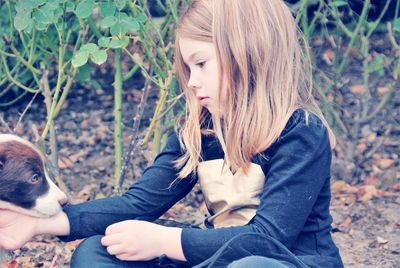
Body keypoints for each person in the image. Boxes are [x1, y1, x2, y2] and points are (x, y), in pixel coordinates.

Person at [0, 0, 344, 267]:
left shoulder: (300, 133)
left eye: (202, 64)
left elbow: (269, 238)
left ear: (247, 54)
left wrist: (166, 241)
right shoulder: (198, 132)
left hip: (289, 262)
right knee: (98, 251)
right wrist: (39, 224)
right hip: (215, 258)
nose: (192, 82)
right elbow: (137, 204)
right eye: (187, 68)